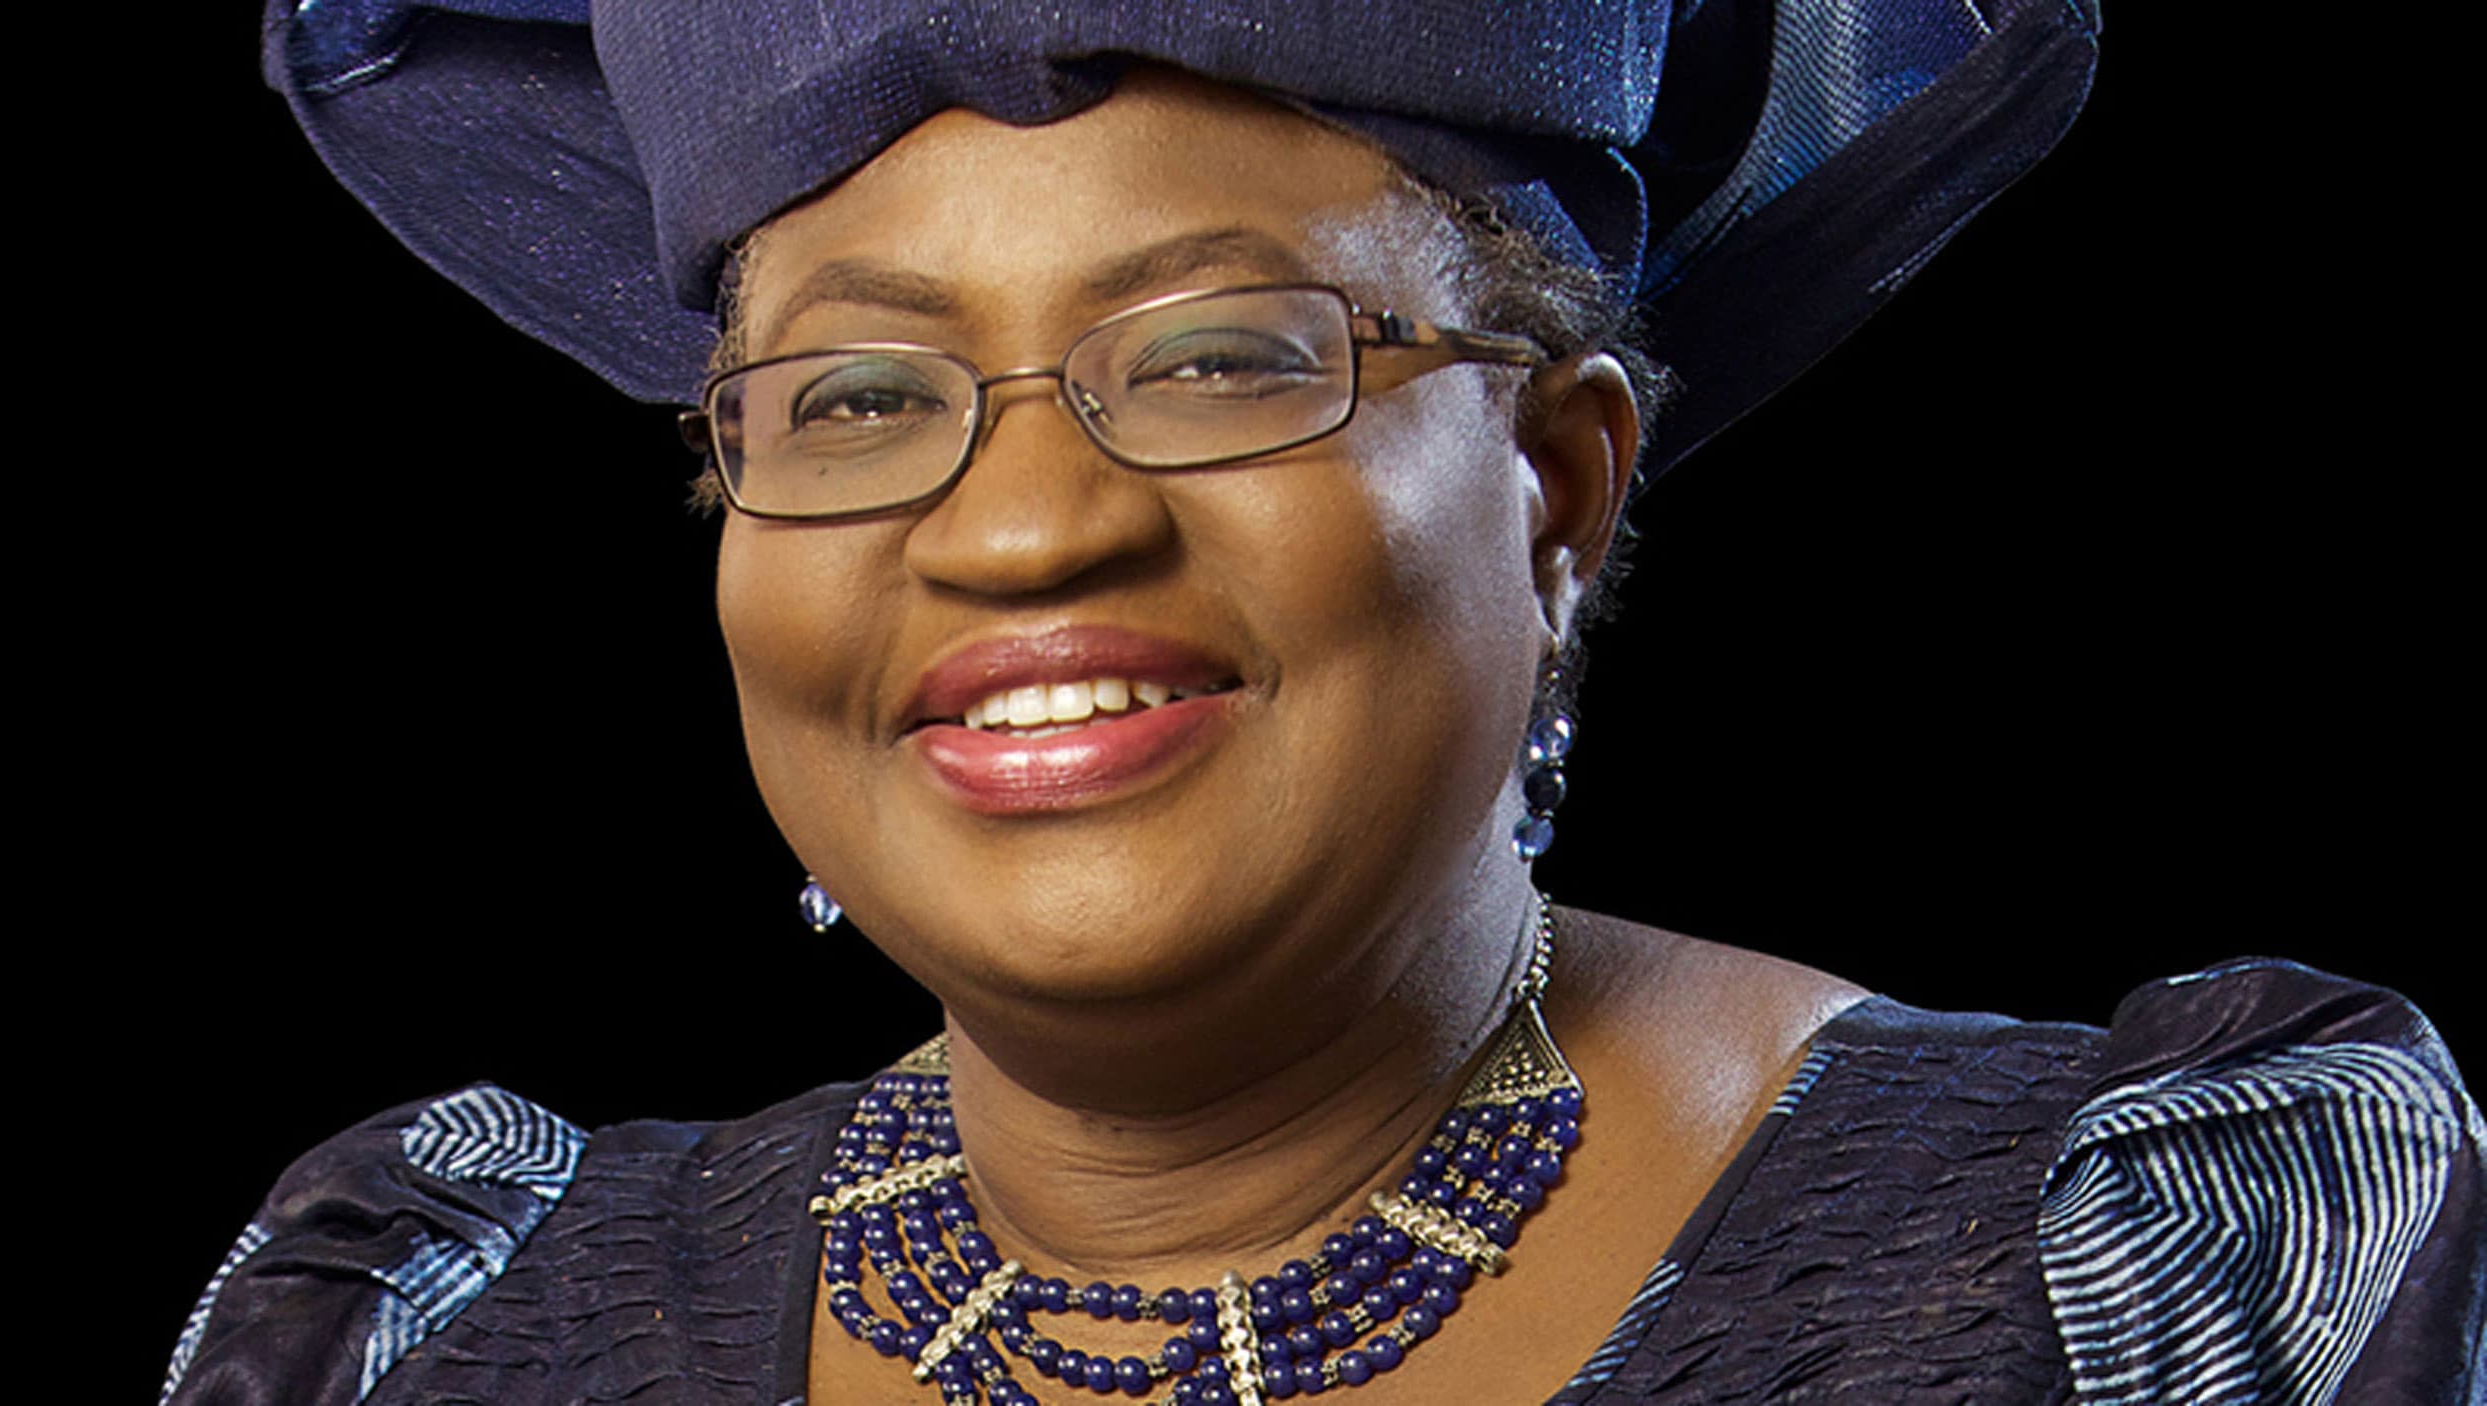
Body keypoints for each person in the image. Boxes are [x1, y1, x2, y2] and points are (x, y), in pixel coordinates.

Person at [161, 3, 2479, 1403]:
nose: (1017, 531)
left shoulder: (2144, 1281)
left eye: (1213, 357)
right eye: (855, 397)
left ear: (1559, 484)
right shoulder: (422, 1332)